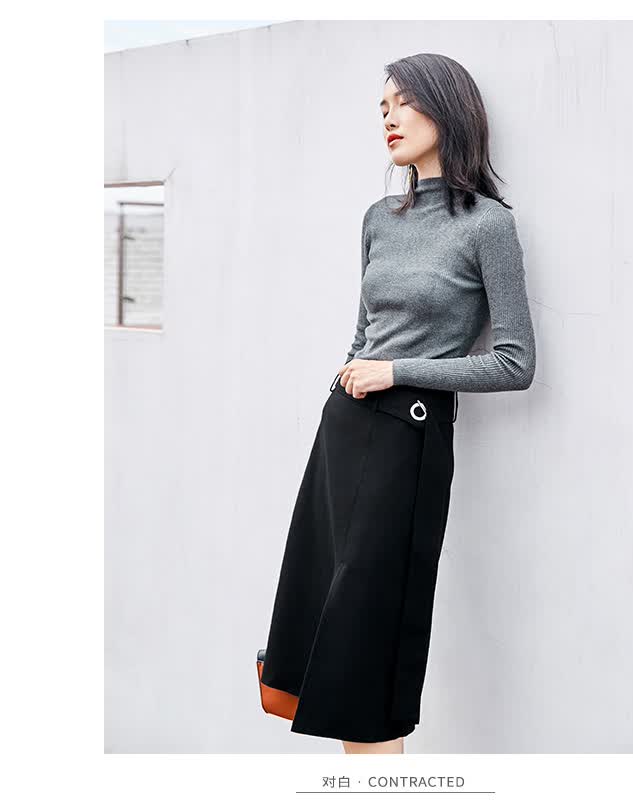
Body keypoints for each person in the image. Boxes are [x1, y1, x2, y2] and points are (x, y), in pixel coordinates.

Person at [259, 52, 536, 754]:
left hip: (409, 437)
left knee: (368, 650)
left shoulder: (487, 225)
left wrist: (398, 372)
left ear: (446, 106)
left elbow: (515, 362)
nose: (388, 117)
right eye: (382, 107)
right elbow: (364, 335)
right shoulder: (378, 218)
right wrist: (360, 371)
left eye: (403, 101)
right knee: (321, 629)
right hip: (343, 429)